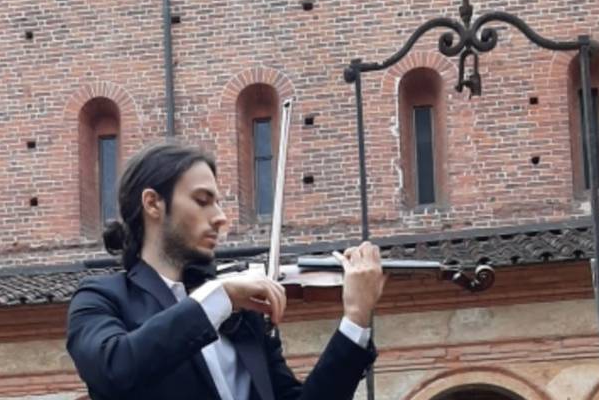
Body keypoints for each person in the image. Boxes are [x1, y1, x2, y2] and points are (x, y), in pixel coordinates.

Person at [66, 142, 386, 400]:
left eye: (218, 203)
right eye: (203, 200)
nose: (220, 217)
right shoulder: (101, 299)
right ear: (153, 203)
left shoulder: (240, 316)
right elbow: (115, 369)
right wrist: (219, 295)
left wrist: (355, 319)